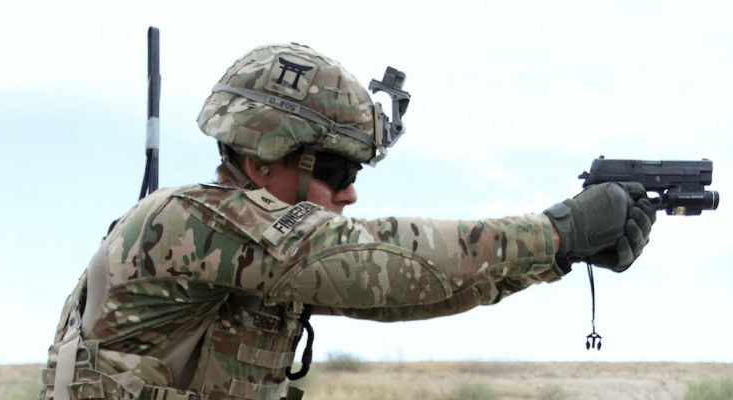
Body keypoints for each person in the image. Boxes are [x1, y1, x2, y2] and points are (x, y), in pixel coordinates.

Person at [40, 43, 656, 400]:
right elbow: (380, 263)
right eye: (334, 169)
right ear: (259, 161)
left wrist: (557, 257)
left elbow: (405, 294)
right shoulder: (192, 223)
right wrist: (556, 230)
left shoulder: (255, 254)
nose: (350, 192)